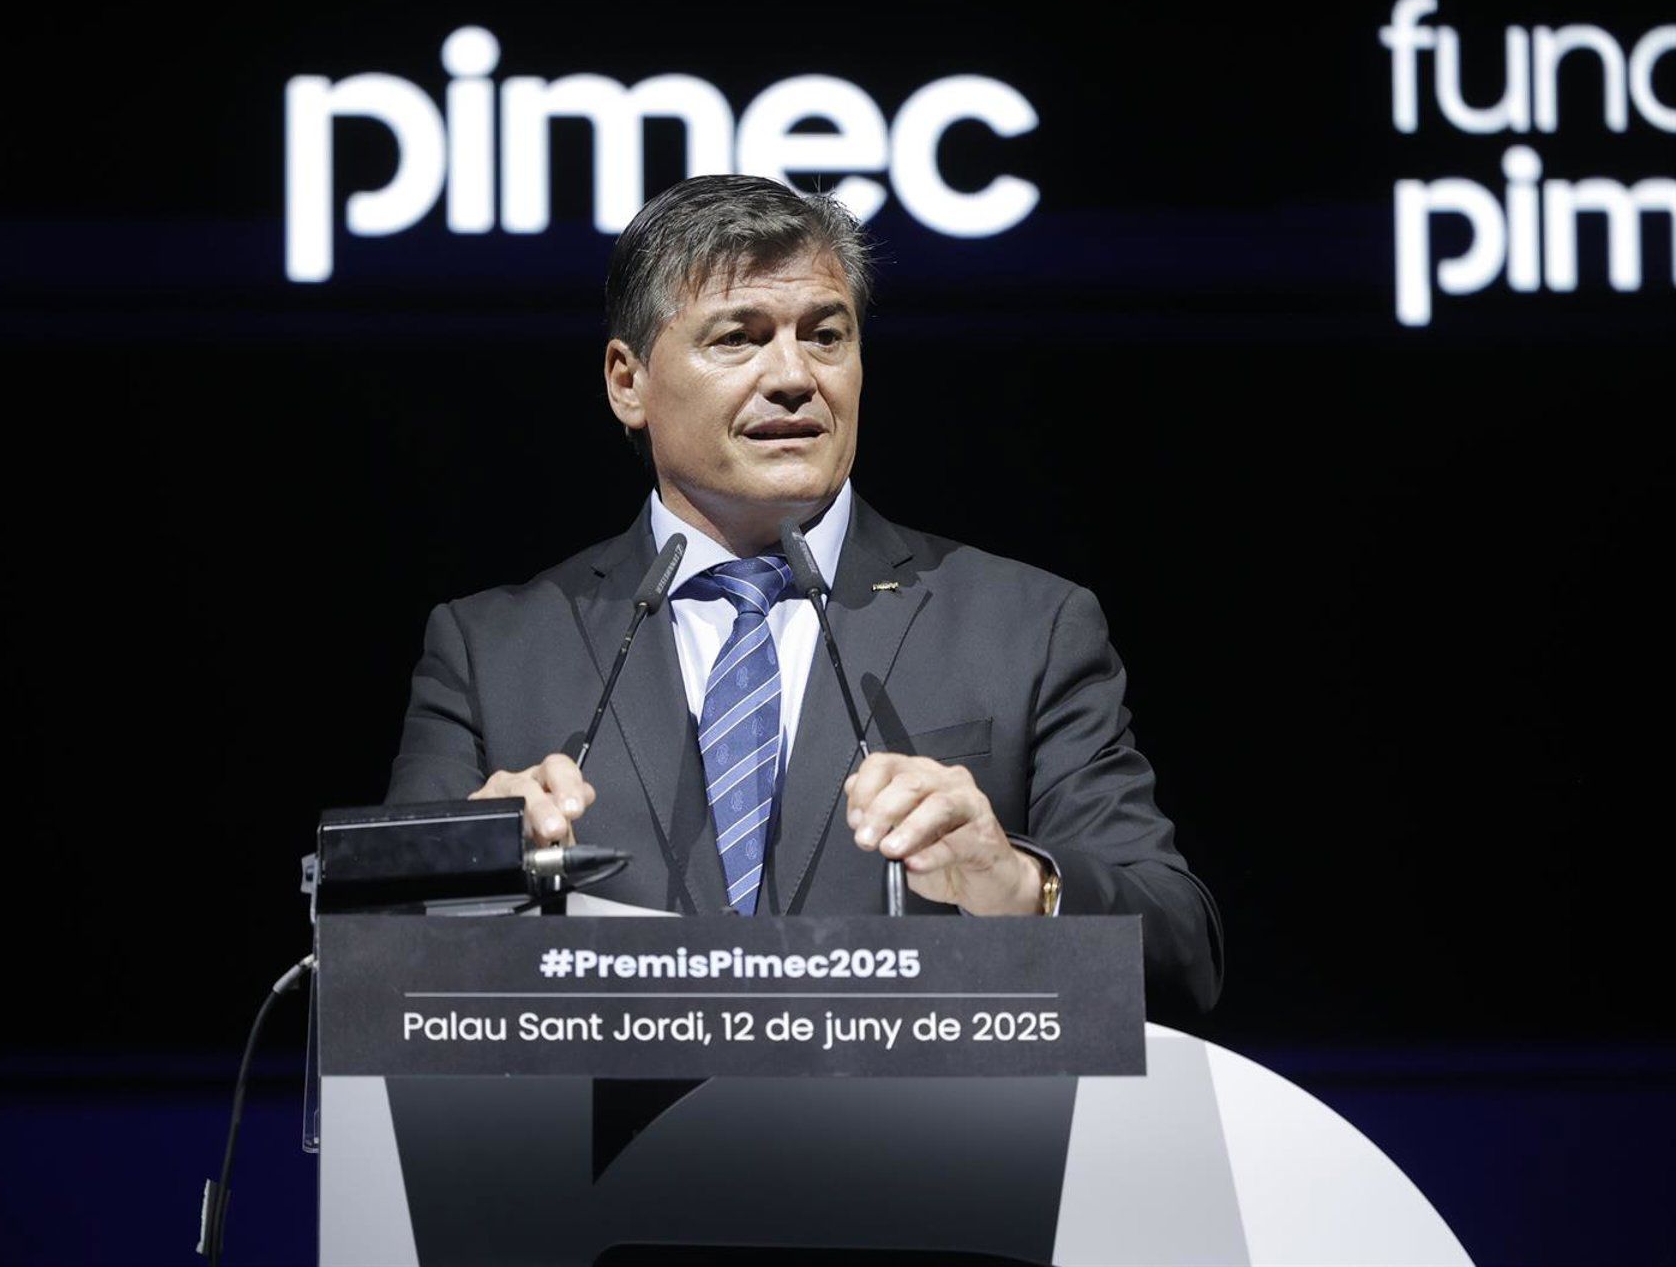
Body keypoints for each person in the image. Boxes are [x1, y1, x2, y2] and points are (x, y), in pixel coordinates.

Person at [388, 174, 1221, 1015]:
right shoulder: (491, 653)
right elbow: (373, 971)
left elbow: (1182, 953)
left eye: (825, 336)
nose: (794, 376)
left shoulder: (1026, 628)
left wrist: (1015, 882)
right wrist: (462, 867)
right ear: (627, 383)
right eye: (738, 339)